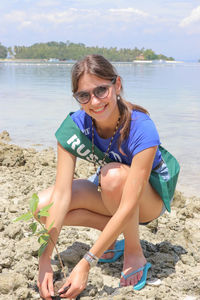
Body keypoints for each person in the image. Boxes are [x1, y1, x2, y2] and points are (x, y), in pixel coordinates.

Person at [37, 54, 180, 299]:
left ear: (117, 85)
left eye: (101, 90)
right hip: (110, 193)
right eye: (84, 95)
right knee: (42, 208)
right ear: (77, 99)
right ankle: (113, 241)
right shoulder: (74, 127)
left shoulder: (141, 127)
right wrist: (45, 259)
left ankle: (134, 251)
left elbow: (130, 202)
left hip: (148, 200)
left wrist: (86, 262)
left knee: (112, 176)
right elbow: (61, 195)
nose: (94, 101)